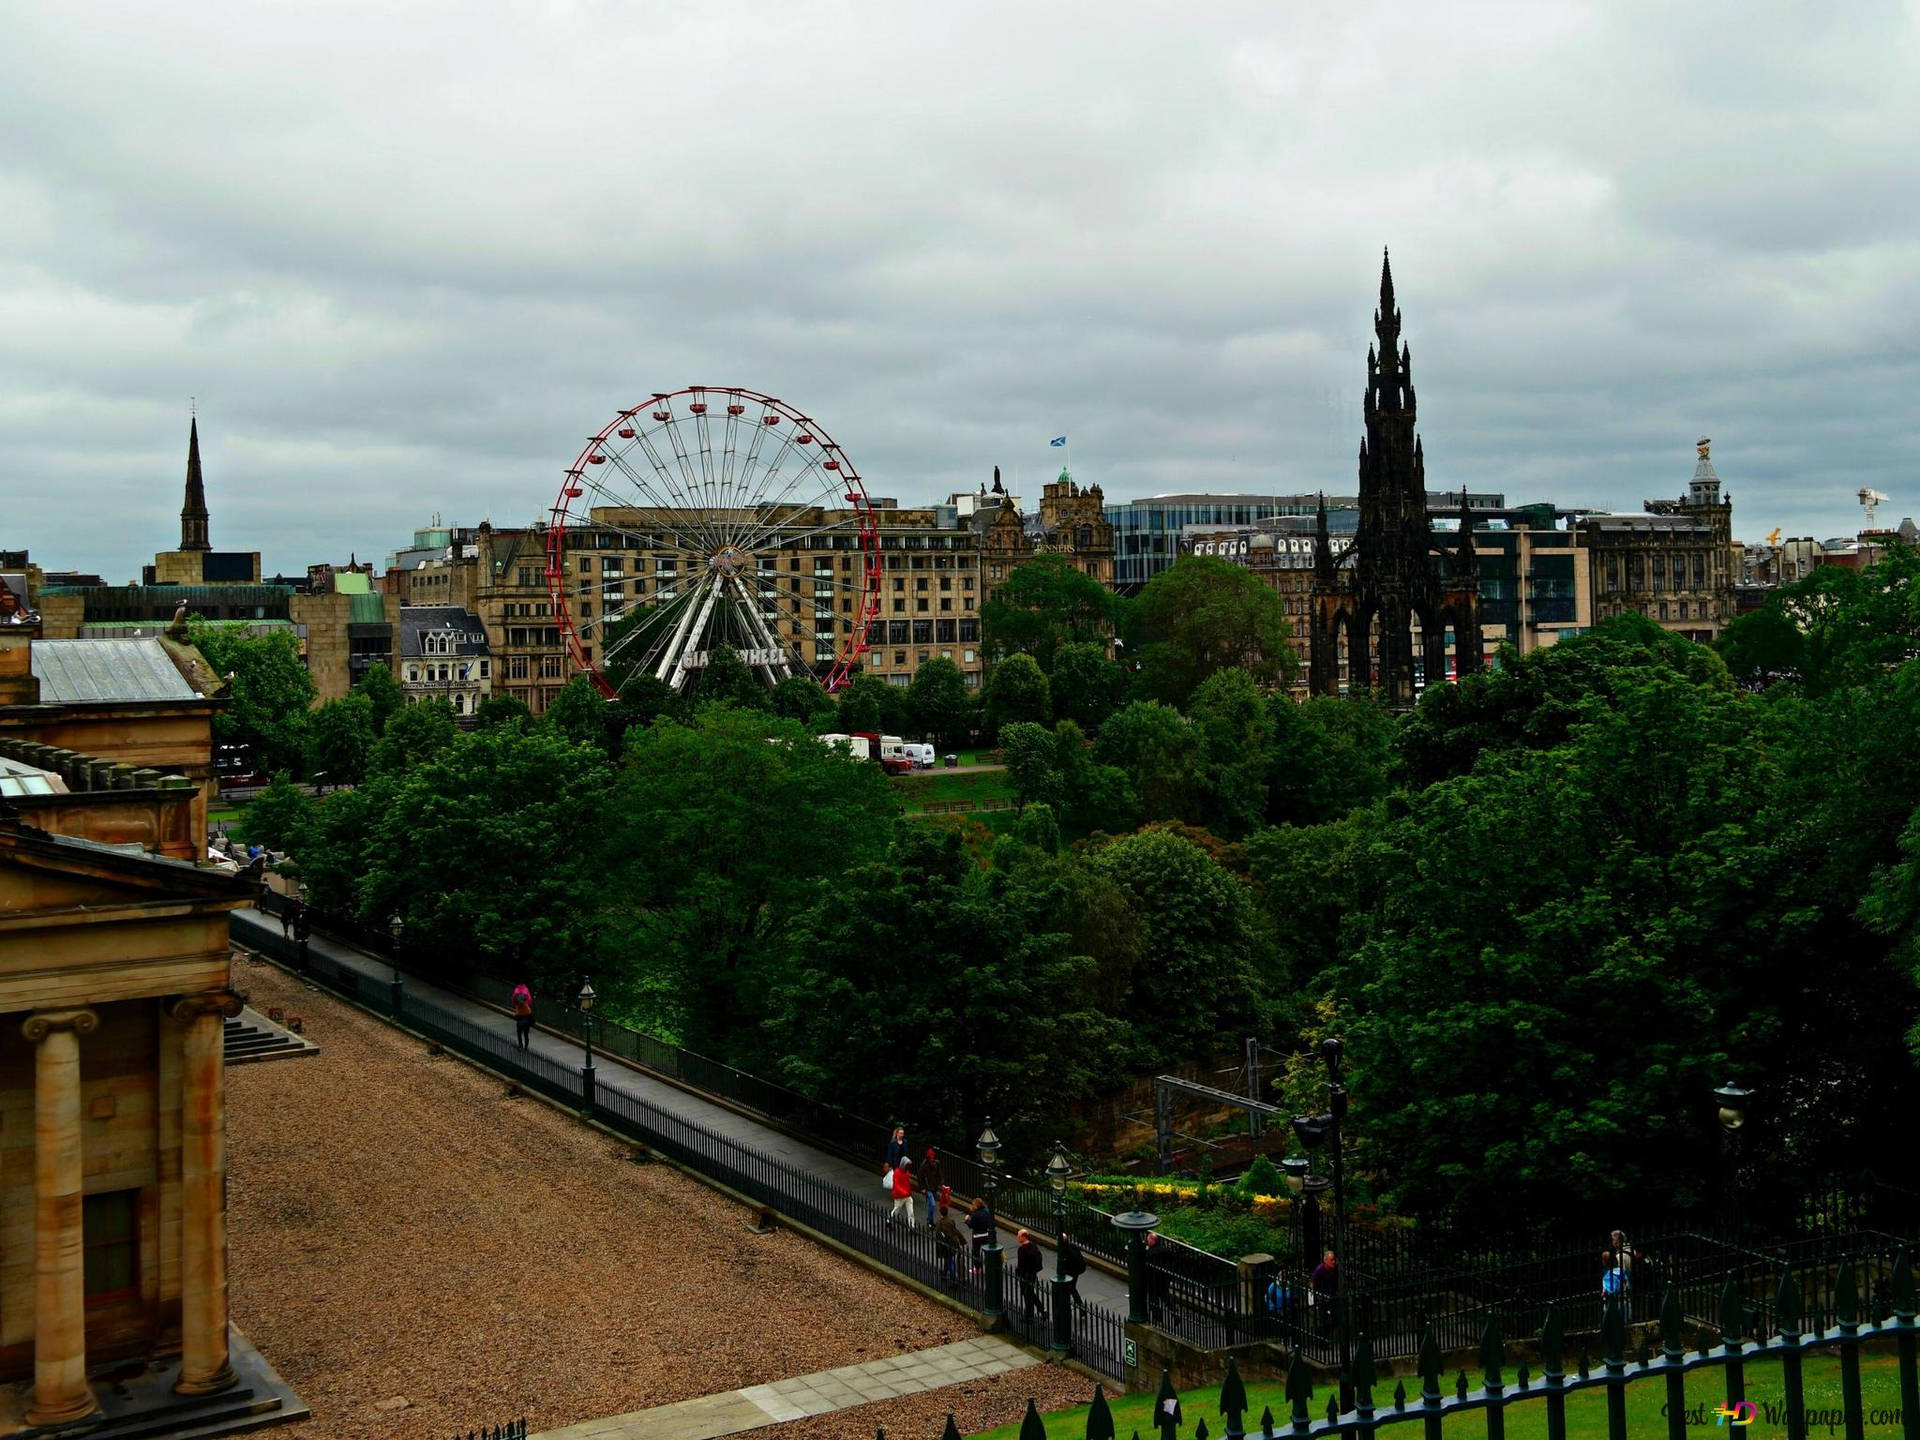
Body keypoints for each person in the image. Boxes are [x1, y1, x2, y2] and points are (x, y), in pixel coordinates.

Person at [1144, 1231, 1175, 1322]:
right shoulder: (1165, 1250)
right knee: (1166, 1297)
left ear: (1152, 1241)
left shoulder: (1150, 1253)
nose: (1147, 1241)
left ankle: (1158, 1317)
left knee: (1153, 1298)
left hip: (1153, 1279)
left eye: (1148, 1240)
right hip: (1164, 1279)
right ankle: (1175, 1314)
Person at [934, 1204, 966, 1286]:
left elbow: (938, 1234)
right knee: (948, 1258)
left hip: (946, 1245)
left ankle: (953, 1277)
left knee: (949, 1260)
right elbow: (955, 1231)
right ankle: (944, 1273)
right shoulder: (951, 1221)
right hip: (954, 1243)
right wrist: (962, 1241)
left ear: (941, 1213)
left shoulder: (939, 1223)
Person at [1057, 1227, 1088, 1308]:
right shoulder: (1072, 1246)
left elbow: (1069, 1261)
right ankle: (1080, 1307)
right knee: (1071, 1288)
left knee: (1070, 1289)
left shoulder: (1065, 1250)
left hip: (1071, 1272)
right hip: (1076, 1271)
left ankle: (1079, 1306)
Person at [1015, 1229, 1044, 1316]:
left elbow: (1021, 1264)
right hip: (1032, 1274)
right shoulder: (1033, 1246)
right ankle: (1040, 1310)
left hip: (1025, 1274)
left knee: (1027, 1294)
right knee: (1030, 1293)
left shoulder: (1022, 1249)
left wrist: (1018, 1274)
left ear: (1023, 1237)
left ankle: (1031, 1313)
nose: (1017, 1237)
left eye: (1019, 1236)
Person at [1311, 1249, 1340, 1330]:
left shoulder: (1335, 1269)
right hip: (1321, 1293)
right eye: (1331, 1260)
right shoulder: (1319, 1270)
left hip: (1331, 1293)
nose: (1334, 1262)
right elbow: (1313, 1283)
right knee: (1322, 1315)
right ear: (1325, 1260)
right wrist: (1317, 1295)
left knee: (1334, 1313)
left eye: (1334, 1259)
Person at [965, 1196, 993, 1274]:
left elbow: (971, 1225)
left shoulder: (975, 1215)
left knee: (976, 1252)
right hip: (986, 1234)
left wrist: (967, 1220)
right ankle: (990, 1267)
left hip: (977, 1236)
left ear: (976, 1206)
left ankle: (977, 1268)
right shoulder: (987, 1212)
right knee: (987, 1252)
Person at [919, 1146, 944, 1228]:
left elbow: (939, 1174)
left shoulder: (936, 1163)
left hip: (934, 1187)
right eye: (931, 1157)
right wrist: (922, 1188)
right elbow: (920, 1177)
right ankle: (930, 1221)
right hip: (927, 1187)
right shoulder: (924, 1166)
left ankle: (930, 1221)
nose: (932, 1158)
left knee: (931, 1205)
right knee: (932, 1204)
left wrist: (941, 1183)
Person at [888, 1156, 916, 1225]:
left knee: (911, 1212)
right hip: (900, 1196)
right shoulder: (897, 1173)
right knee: (897, 1210)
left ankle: (912, 1226)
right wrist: (905, 1192)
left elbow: (907, 1183)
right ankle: (889, 1221)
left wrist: (908, 1192)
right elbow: (897, 1185)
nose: (908, 1167)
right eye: (907, 1165)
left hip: (906, 1195)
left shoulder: (906, 1172)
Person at [511, 982, 535, 1049]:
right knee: (526, 1033)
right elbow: (529, 1000)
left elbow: (513, 1001)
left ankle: (520, 1044)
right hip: (527, 1015)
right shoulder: (525, 994)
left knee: (519, 1032)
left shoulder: (516, 995)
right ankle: (526, 1046)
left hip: (519, 1015)